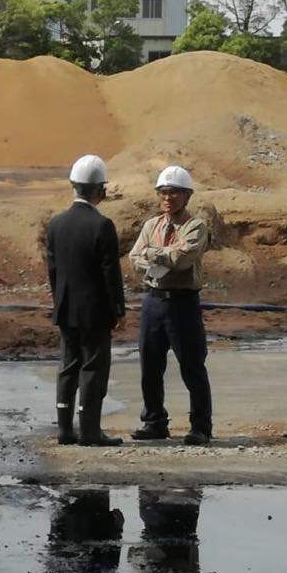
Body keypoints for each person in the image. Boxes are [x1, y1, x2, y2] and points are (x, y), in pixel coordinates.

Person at [127, 165, 213, 446]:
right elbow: (134, 258)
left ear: (187, 195)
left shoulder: (196, 227)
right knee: (150, 365)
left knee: (192, 366)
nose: (168, 198)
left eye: (174, 192)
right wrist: (161, 255)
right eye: (163, 192)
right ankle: (154, 421)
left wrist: (151, 254)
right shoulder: (151, 225)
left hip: (183, 303)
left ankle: (200, 427)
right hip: (153, 301)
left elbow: (182, 259)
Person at [45, 155, 126, 446]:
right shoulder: (102, 225)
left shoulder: (56, 224)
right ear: (100, 190)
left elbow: (53, 271)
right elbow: (110, 273)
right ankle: (90, 430)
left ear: (74, 186)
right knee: (93, 368)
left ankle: (65, 429)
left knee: (68, 366)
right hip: (95, 311)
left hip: (66, 307)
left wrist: (59, 301)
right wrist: (118, 309)